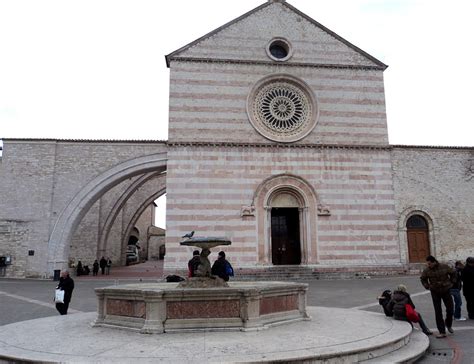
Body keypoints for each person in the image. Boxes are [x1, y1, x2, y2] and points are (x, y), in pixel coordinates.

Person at [420, 255, 456, 338]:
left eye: (429, 264)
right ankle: (442, 331)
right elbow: (423, 278)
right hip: (435, 291)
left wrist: (452, 282)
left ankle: (448, 323)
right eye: (427, 264)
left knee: (450, 309)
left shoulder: (444, 266)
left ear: (434, 262)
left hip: (446, 290)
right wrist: (427, 286)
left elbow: (453, 273)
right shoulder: (427, 270)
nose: (428, 265)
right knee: (438, 311)